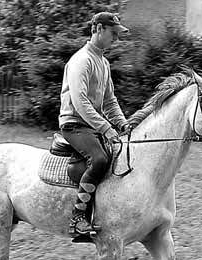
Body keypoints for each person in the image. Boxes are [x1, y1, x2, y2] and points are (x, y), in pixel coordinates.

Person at [59, 12, 133, 237]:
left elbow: (110, 100)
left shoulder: (103, 61)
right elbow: (80, 103)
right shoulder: (82, 60)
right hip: (74, 124)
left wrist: (122, 123)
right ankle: (78, 218)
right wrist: (106, 128)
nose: (116, 39)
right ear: (99, 29)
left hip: (90, 125)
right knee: (100, 159)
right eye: (113, 34)